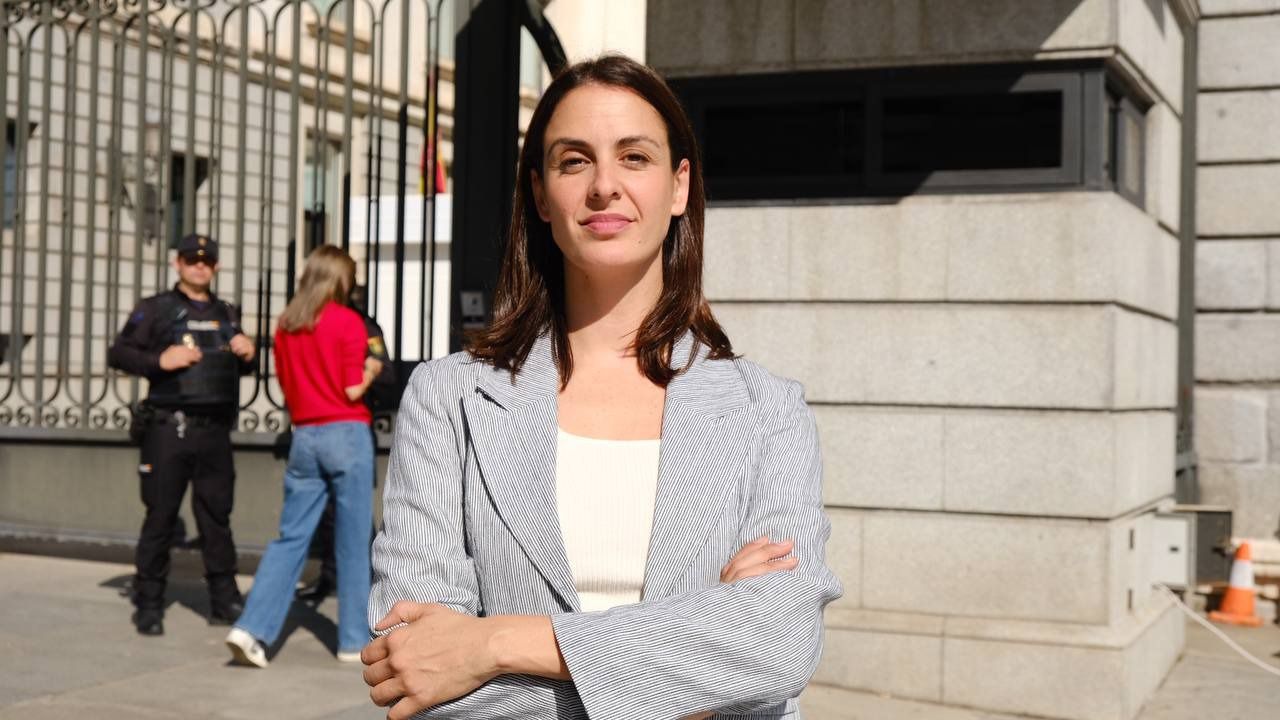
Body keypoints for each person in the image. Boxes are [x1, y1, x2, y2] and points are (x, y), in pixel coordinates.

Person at [360, 54, 842, 719]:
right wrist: (698, 669)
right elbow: (415, 667)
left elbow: (782, 643)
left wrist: (496, 641)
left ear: (679, 188)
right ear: (539, 193)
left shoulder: (767, 410)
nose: (604, 187)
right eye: (574, 160)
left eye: (634, 158)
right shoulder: (450, 398)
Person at [225, 246, 381, 667]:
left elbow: (288, 386)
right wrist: (371, 372)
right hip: (346, 432)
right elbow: (351, 389)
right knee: (352, 542)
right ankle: (353, 640)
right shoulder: (348, 321)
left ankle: (251, 628)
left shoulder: (286, 325)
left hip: (305, 435)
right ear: (339, 280)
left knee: (289, 538)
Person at [107, 234, 256, 636]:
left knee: (216, 518)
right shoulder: (156, 309)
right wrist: (160, 359)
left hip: (214, 432)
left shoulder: (227, 313)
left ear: (216, 266)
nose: (199, 267)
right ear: (178, 264)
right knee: (160, 515)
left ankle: (224, 599)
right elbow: (118, 353)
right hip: (169, 428)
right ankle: (149, 601)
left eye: (207, 261)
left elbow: (232, 370)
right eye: (192, 260)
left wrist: (247, 352)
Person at [296, 284, 395, 605]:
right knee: (323, 510)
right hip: (316, 427)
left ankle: (369, 583)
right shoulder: (310, 323)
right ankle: (330, 575)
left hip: (352, 426)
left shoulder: (364, 326)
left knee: (353, 513)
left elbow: (387, 374)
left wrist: (359, 374)